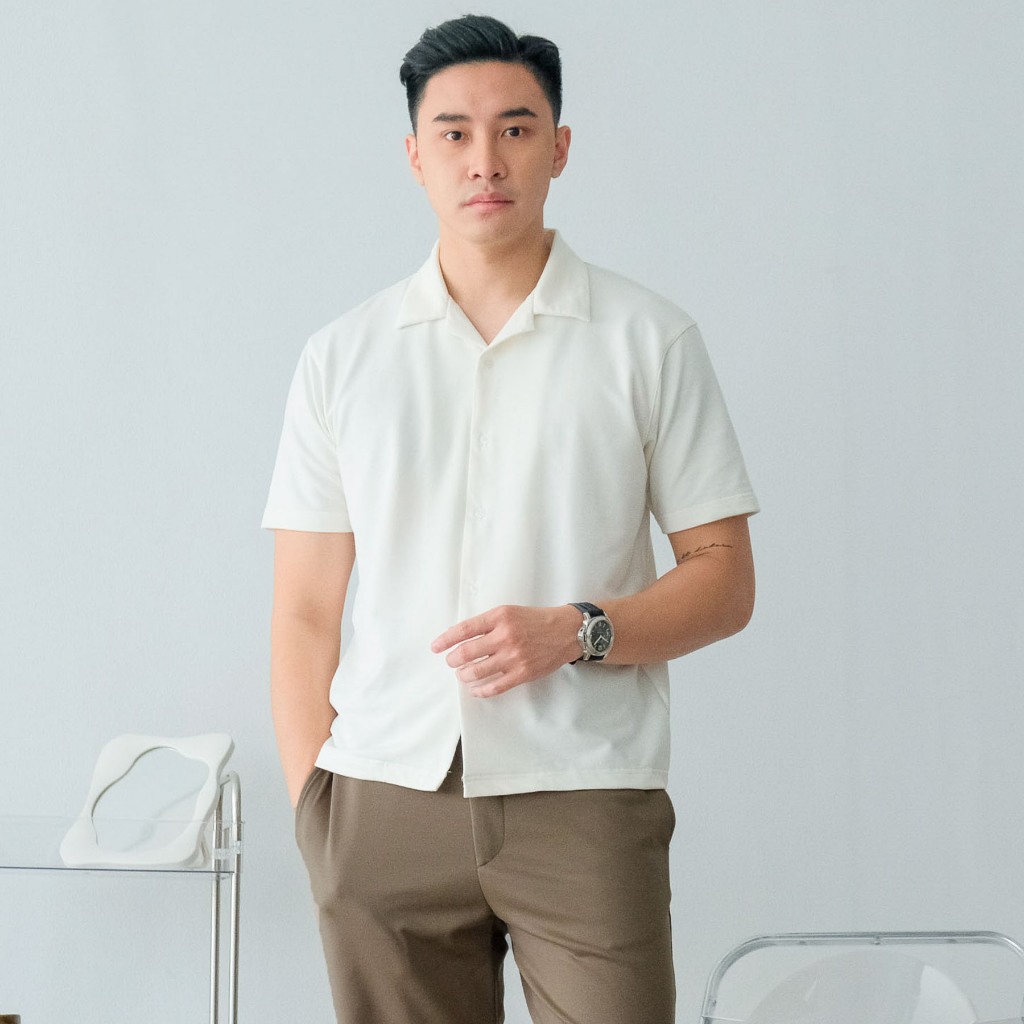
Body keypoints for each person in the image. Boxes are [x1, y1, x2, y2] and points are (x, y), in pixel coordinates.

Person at [262, 13, 759, 1024]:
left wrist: (579, 630)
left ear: (559, 148)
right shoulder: (342, 357)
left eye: (516, 129)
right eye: (452, 132)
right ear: (415, 155)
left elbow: (724, 576)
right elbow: (306, 609)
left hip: (583, 794)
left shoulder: (649, 340)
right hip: (381, 799)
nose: (483, 159)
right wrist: (317, 810)